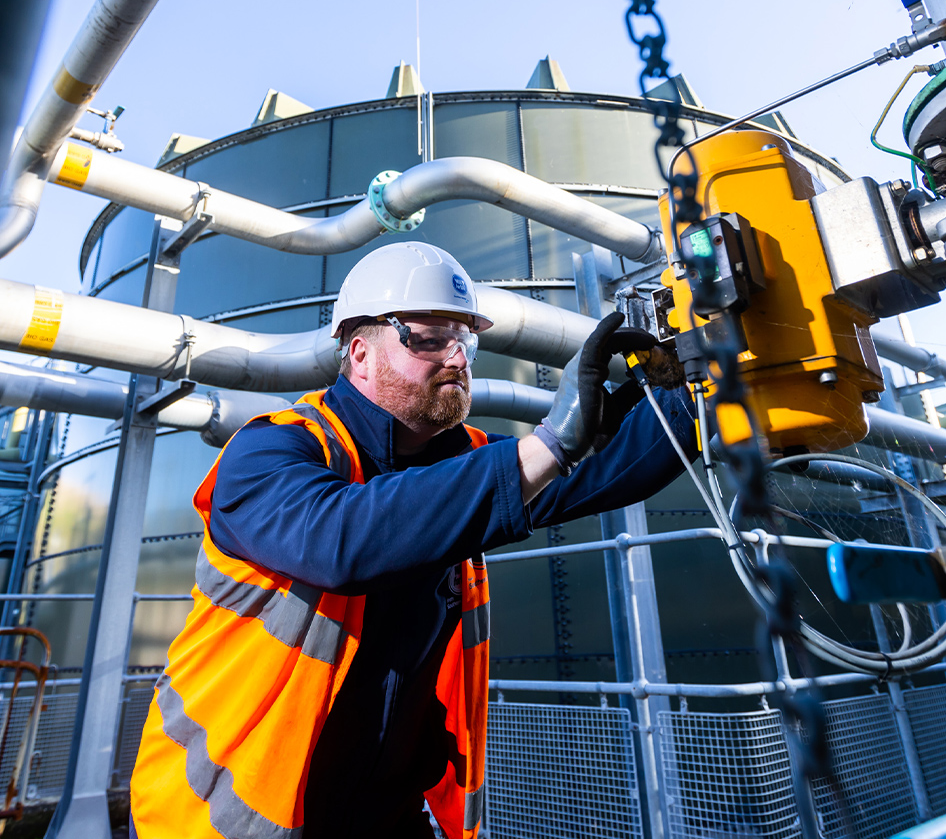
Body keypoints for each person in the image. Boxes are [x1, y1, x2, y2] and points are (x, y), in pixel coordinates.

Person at [130, 242, 700, 839]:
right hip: (233, 817)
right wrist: (550, 443)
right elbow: (342, 541)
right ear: (360, 353)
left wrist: (695, 380)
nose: (456, 356)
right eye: (428, 338)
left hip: (386, 814)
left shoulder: (466, 464)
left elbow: (604, 473)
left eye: (465, 340)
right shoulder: (273, 449)